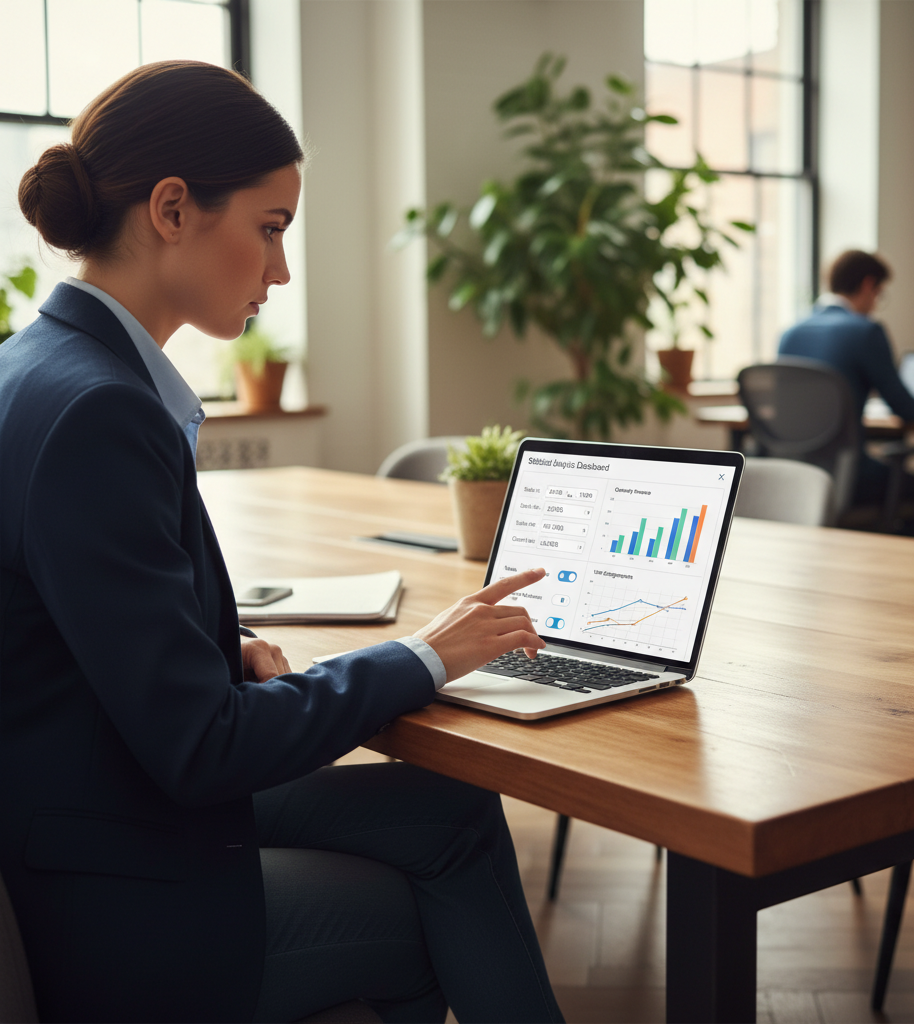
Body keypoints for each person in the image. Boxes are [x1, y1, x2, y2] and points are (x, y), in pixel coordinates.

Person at [0, 61, 563, 1024]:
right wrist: (426, 656)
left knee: (451, 815)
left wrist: (216, 653)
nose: (280, 271)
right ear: (172, 209)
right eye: (270, 229)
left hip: (95, 795)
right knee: (423, 911)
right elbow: (203, 749)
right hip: (123, 892)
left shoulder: (37, 364)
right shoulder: (101, 411)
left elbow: (66, 641)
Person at [777, 250, 914, 536]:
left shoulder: (790, 333)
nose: (876, 303)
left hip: (794, 474)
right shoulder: (865, 331)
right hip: (849, 477)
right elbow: (904, 407)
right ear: (869, 285)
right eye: (880, 293)